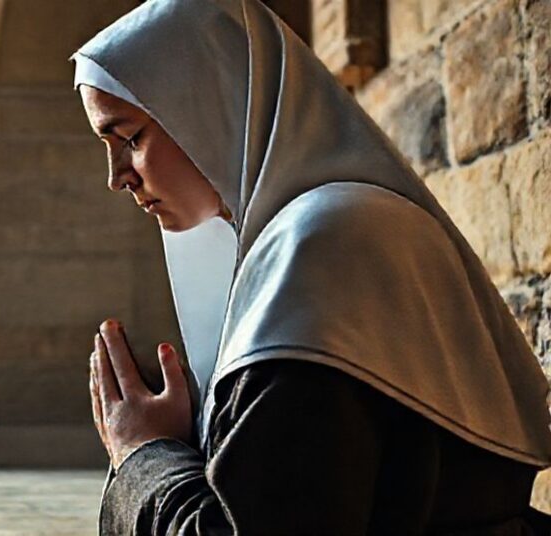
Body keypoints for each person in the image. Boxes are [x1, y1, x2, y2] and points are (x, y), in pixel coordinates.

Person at [75, 0, 551, 533]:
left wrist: (145, 453)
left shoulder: (322, 248)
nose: (118, 177)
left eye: (131, 138)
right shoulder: (348, 225)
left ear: (213, 100)